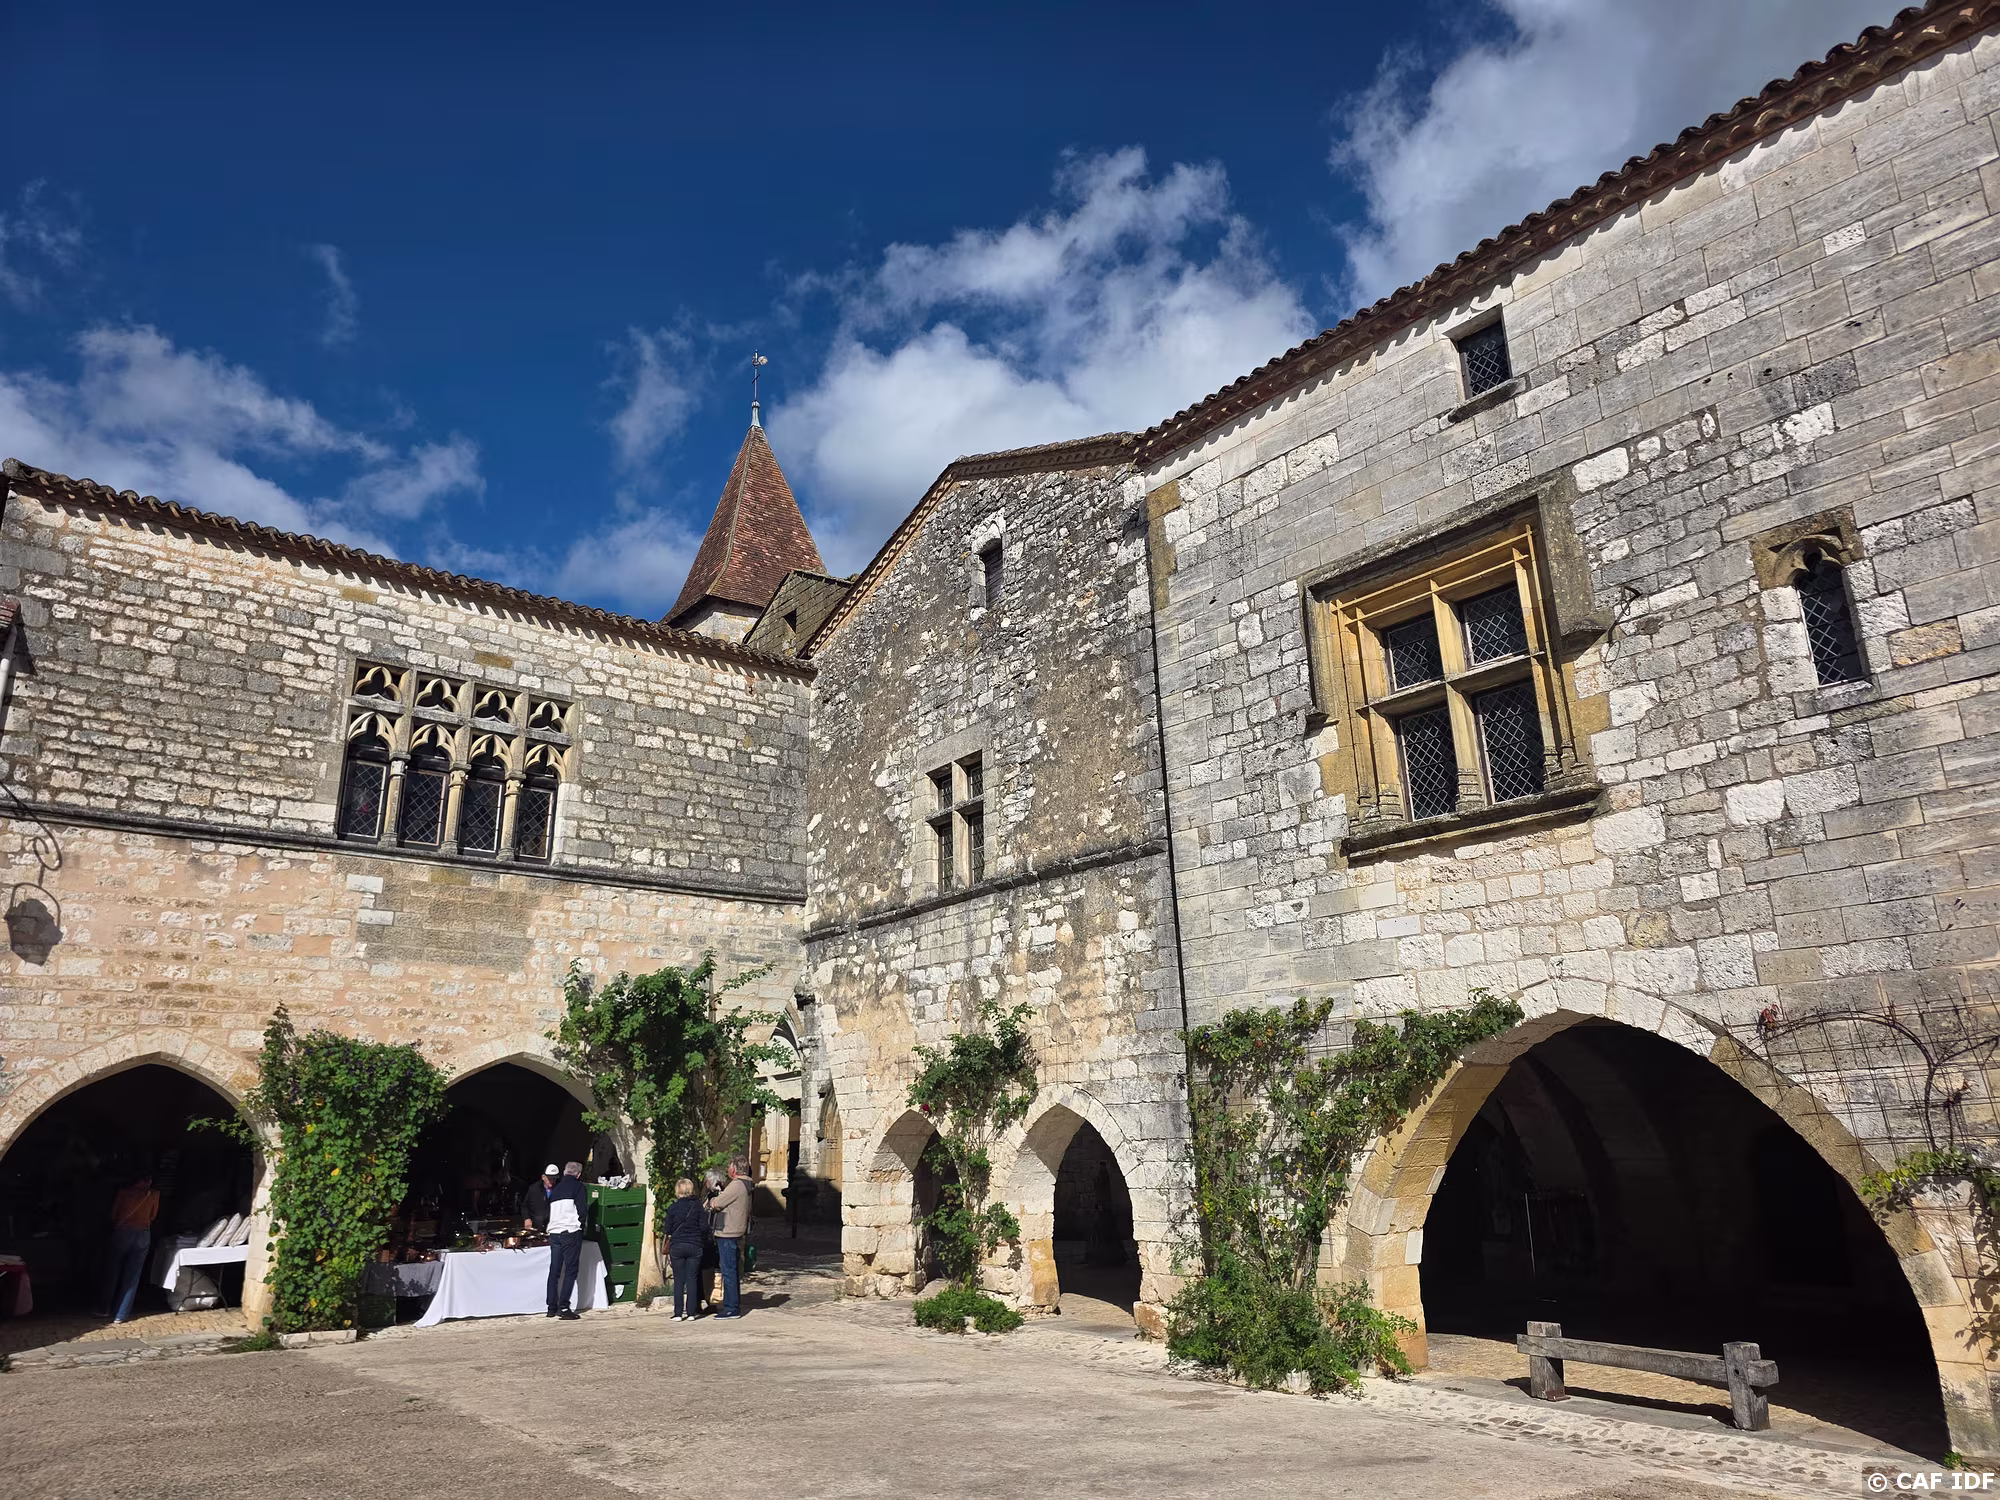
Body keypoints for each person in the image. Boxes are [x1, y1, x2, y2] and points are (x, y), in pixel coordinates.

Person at [100, 1171, 159, 1324]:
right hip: (143, 1233)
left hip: (123, 1232)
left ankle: (104, 1308)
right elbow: (153, 1216)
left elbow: (114, 1215)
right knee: (133, 1276)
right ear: (148, 1179)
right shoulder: (153, 1194)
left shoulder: (124, 1193)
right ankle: (121, 1314)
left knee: (112, 1271)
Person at [706, 1159, 752, 1319]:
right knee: (731, 1270)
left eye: (729, 1167)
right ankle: (732, 1306)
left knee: (728, 1271)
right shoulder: (746, 1184)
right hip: (735, 1230)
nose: (728, 1170)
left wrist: (712, 1199)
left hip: (728, 1232)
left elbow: (717, 1203)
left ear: (734, 1169)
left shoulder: (737, 1185)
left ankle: (731, 1308)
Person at [542, 1162, 587, 1320]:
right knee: (570, 1270)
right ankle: (564, 1307)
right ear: (578, 1174)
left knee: (554, 1270)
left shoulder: (556, 1189)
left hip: (554, 1232)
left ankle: (551, 1307)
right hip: (570, 1231)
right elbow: (582, 1210)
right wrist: (581, 1226)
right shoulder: (579, 1187)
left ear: (564, 1172)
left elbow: (548, 1212)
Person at [663, 1177, 706, 1321]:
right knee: (692, 1278)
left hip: (677, 1246)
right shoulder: (698, 1206)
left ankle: (678, 1313)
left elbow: (668, 1229)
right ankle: (691, 1313)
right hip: (695, 1245)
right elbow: (704, 1227)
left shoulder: (673, 1207)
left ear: (678, 1190)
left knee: (679, 1280)